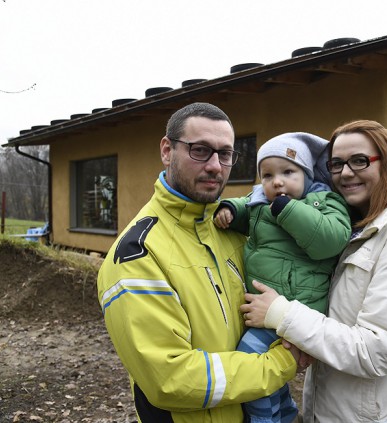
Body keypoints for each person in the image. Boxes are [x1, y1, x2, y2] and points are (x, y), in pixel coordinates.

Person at [96, 102, 301, 423]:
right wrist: (282, 363)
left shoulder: (231, 230)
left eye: (226, 154)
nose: (216, 166)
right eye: (201, 150)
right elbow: (171, 379)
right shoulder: (138, 252)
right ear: (167, 150)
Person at [240, 120, 387, 422]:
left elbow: (376, 350)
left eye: (359, 161)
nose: (346, 172)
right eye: (336, 164)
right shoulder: (352, 231)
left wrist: (282, 315)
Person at [214, 132, 351, 422]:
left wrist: (288, 210)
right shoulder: (260, 202)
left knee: (250, 363)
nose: (277, 181)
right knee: (266, 369)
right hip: (268, 307)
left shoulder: (325, 201)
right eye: (267, 175)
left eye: (288, 172)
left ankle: (264, 420)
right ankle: (286, 414)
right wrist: (228, 210)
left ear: (306, 173)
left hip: (299, 305)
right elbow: (246, 209)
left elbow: (330, 240)